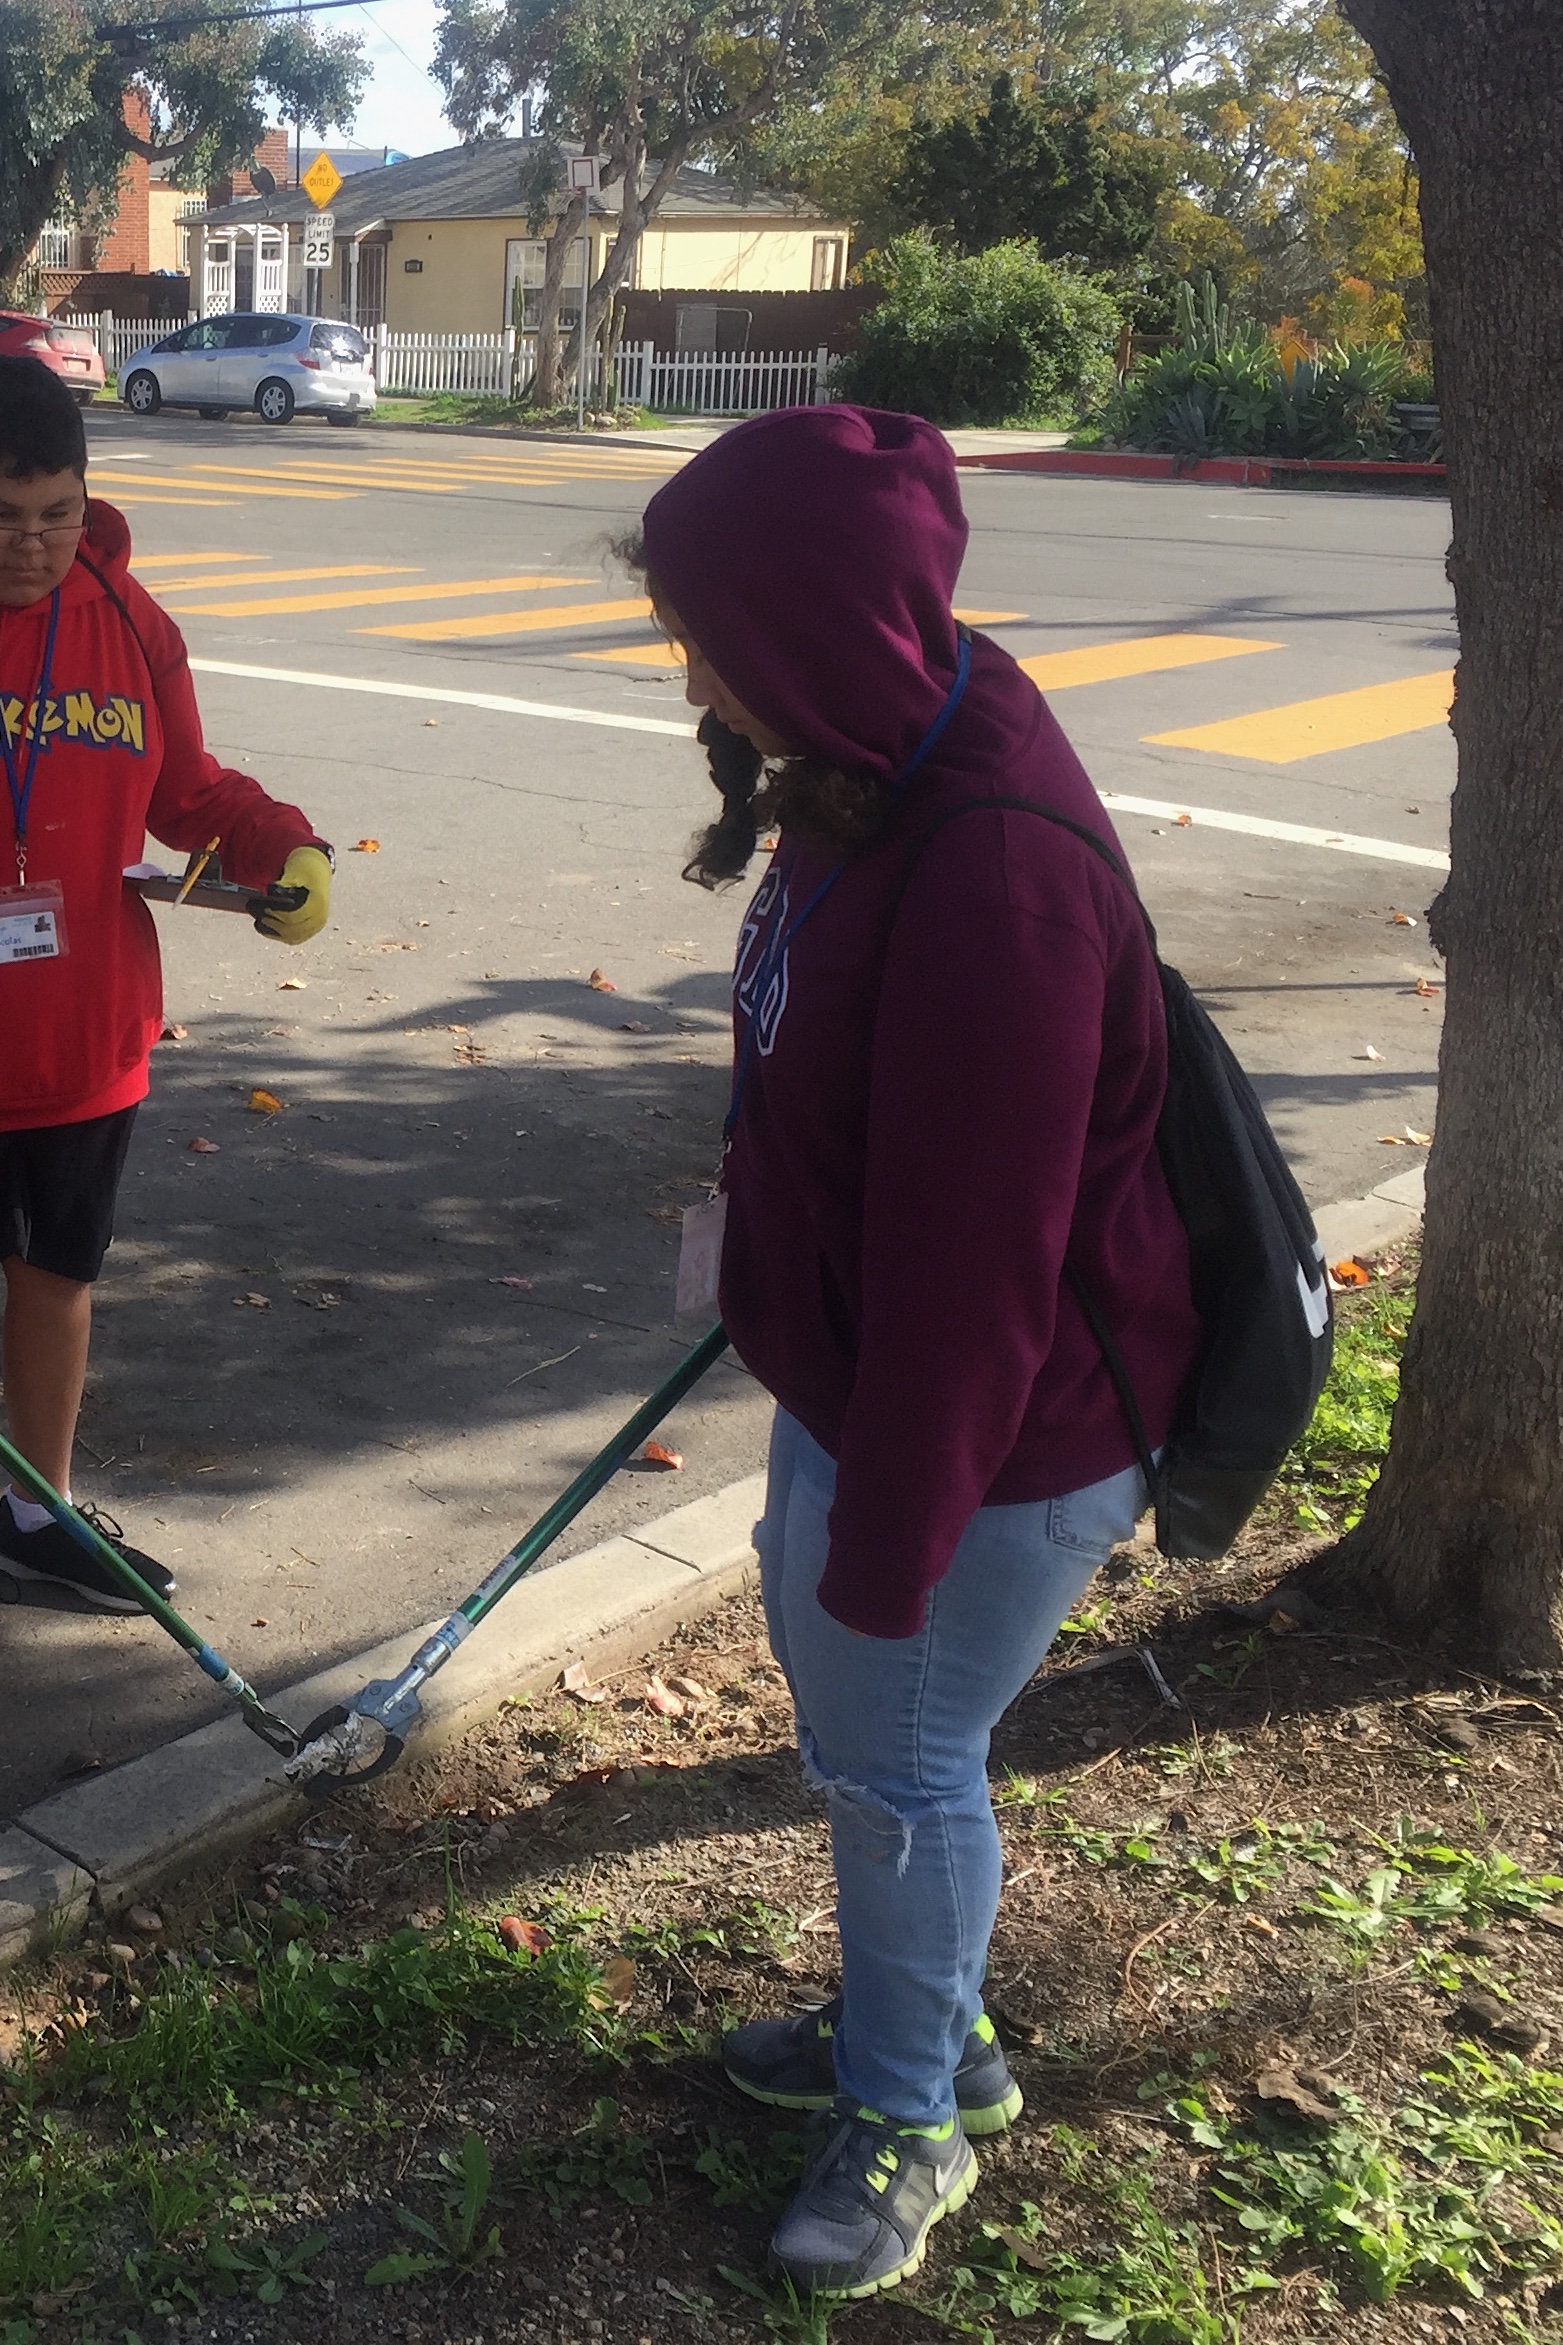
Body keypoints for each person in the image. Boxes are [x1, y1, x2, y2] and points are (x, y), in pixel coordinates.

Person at [629, 406, 1201, 2300]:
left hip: (988, 1437)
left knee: (900, 1766)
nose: (686, 665)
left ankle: (910, 2121)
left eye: (706, 629)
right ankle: (925, 2026)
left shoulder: (997, 879)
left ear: (805, 624)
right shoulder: (888, 736)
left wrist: (890, 1542)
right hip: (873, 1392)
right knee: (872, 1742)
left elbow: (980, 1270)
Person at [0, 353, 331, 1673]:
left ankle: (41, 1511)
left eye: (58, 515)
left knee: (61, 1285)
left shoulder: (127, 617)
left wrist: (282, 848)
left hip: (85, 1039)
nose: (32, 547)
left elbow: (188, 791)